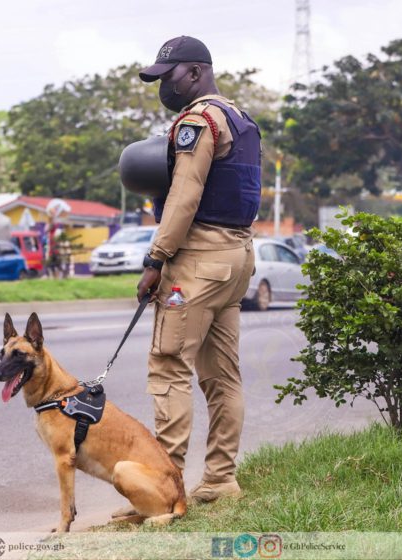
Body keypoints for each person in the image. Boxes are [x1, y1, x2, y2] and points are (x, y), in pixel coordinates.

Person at [131, 36, 259, 508]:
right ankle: (221, 480)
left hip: (199, 262)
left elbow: (184, 197)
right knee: (223, 375)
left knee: (168, 367)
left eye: (168, 76)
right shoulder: (241, 119)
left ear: (195, 71)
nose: (163, 85)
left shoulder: (198, 121)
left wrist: (156, 259)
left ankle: (163, 490)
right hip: (237, 257)